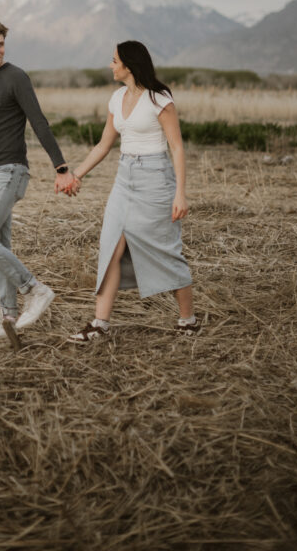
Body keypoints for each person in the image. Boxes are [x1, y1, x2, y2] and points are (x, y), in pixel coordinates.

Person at [65, 40, 198, 342]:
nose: (110, 66)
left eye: (114, 61)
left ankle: (188, 320)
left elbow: (176, 147)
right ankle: (100, 324)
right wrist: (76, 175)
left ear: (128, 64)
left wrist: (180, 193)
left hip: (155, 179)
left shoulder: (158, 98)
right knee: (111, 247)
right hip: (124, 179)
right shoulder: (116, 98)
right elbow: (104, 144)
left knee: (164, 249)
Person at [0, 19, 75, 339]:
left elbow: (38, 121)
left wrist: (61, 167)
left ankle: (34, 289)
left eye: (0, 44)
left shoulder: (15, 77)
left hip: (11, 171)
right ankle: (6, 318)